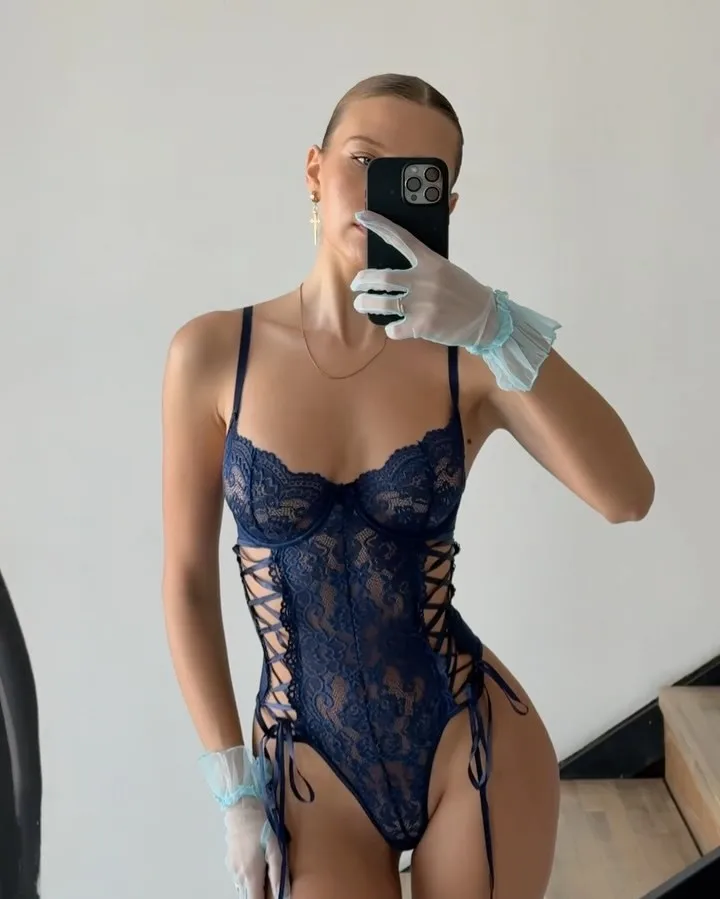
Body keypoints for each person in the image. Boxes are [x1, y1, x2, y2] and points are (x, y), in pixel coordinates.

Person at [161, 73, 655, 899]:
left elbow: (625, 494)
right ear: (315, 171)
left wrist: (498, 324)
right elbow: (184, 579)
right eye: (363, 160)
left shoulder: (472, 360)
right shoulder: (214, 354)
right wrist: (232, 786)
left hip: (471, 741)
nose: (379, 194)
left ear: (445, 207)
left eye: (415, 179)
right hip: (306, 765)